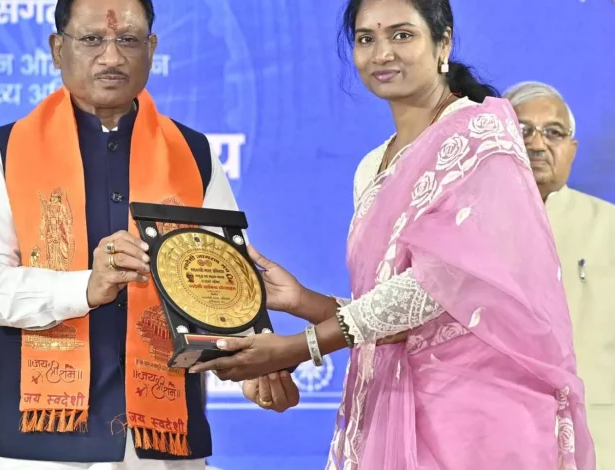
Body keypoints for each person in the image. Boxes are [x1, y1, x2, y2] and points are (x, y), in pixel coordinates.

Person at [190, 0, 596, 468]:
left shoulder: (483, 138)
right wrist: (303, 301)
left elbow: (435, 286)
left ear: (443, 42)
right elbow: (398, 321)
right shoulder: (373, 166)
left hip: (479, 420)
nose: (382, 53)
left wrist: (301, 346)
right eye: (367, 39)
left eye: (402, 35)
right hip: (392, 406)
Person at [0, 0, 297, 468]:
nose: (112, 57)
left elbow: (222, 287)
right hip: (40, 447)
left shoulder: (192, 154)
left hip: (165, 447)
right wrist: (84, 288)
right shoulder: (10, 150)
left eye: (128, 40)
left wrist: (250, 365)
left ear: (151, 49)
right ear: (57, 49)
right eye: (92, 39)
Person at [505, 81, 615, 470]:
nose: (537, 144)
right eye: (522, 130)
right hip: (498, 433)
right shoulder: (466, 226)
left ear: (572, 148)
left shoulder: (609, 226)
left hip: (599, 435)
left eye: (553, 132)